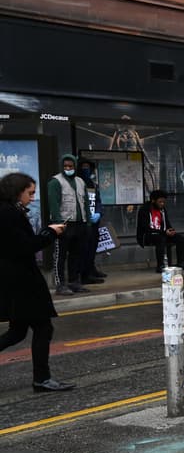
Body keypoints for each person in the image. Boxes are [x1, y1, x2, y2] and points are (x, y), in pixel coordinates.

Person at [0, 172, 74, 392]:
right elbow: (24, 246)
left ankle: (42, 378)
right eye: (29, 193)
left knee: (18, 331)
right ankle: (41, 378)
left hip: (15, 279)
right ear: (17, 191)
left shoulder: (8, 211)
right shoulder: (8, 214)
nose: (32, 198)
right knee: (43, 327)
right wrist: (50, 233)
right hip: (22, 280)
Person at [46, 153, 90, 295]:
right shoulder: (55, 182)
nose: (68, 168)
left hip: (79, 223)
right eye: (65, 166)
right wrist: (58, 224)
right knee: (60, 255)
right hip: (64, 224)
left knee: (76, 255)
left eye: (70, 166)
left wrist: (87, 222)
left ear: (75, 166)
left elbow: (86, 204)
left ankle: (74, 282)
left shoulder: (80, 182)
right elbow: (54, 204)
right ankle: (60, 285)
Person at [135, 189, 184, 271]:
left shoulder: (162, 209)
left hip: (162, 233)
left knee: (180, 238)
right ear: (153, 201)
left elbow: (167, 223)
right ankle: (160, 265)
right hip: (147, 235)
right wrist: (164, 232)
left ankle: (181, 263)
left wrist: (171, 230)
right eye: (160, 202)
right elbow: (146, 228)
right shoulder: (144, 209)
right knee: (160, 239)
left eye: (164, 202)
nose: (162, 204)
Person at [75, 158, 106, 283]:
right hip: (82, 222)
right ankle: (84, 275)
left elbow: (98, 200)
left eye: (88, 167)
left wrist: (99, 213)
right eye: (83, 167)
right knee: (84, 249)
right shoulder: (76, 183)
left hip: (93, 222)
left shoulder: (93, 184)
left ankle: (91, 269)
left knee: (92, 247)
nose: (86, 169)